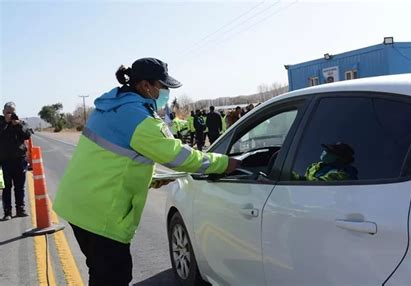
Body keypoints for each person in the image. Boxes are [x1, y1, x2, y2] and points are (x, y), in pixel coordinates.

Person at [52, 58, 240, 285]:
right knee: (115, 276)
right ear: (145, 86)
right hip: (99, 215)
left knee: (101, 273)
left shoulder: (111, 106)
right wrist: (223, 163)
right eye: (162, 86)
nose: (165, 92)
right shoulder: (138, 117)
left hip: (79, 206)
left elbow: (114, 159)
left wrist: (148, 178)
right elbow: (178, 157)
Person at [0, 102, 33, 220]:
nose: (10, 114)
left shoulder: (20, 122)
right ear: (3, 111)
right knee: (6, 187)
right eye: (8, 112)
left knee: (20, 186)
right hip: (4, 161)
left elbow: (27, 135)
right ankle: (7, 212)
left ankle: (20, 209)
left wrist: (18, 125)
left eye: (12, 111)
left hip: (19, 159)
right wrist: (6, 123)